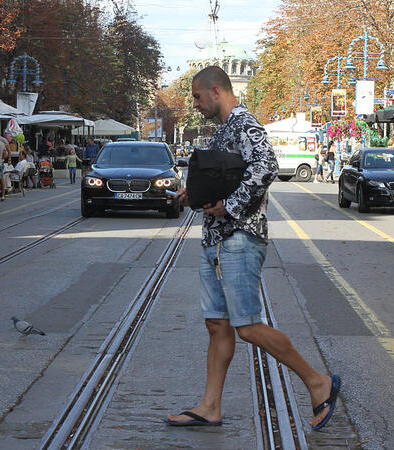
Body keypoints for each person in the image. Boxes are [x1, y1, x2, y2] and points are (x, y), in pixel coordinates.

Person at [165, 66, 339, 431]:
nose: (195, 105)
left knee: (246, 326)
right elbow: (222, 178)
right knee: (218, 324)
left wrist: (230, 205)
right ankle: (210, 406)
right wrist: (191, 195)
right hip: (216, 239)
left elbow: (266, 167)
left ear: (215, 91)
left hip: (239, 238)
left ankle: (316, 381)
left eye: (197, 97)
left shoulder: (245, 123)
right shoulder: (223, 131)